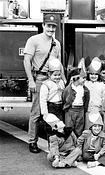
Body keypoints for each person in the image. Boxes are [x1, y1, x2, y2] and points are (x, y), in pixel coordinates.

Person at [23, 13, 65, 153]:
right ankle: (32, 141)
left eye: (53, 26)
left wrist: (63, 80)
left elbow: (59, 64)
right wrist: (31, 81)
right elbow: (26, 61)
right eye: (48, 26)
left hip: (54, 80)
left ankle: (54, 141)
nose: (51, 29)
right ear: (43, 25)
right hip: (40, 79)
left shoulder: (57, 43)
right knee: (36, 112)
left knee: (54, 110)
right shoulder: (33, 40)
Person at [39, 58, 65, 139]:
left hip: (60, 106)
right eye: (55, 75)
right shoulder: (46, 85)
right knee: (51, 128)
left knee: (60, 127)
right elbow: (43, 100)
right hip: (51, 107)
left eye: (59, 75)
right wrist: (45, 113)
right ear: (49, 75)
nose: (57, 77)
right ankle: (52, 147)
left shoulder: (61, 82)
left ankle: (59, 145)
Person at [63, 68, 89, 137]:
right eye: (83, 78)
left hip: (80, 110)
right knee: (69, 127)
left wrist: (84, 110)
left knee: (79, 128)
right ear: (76, 78)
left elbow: (86, 100)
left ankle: (78, 143)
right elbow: (64, 98)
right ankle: (69, 144)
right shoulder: (68, 89)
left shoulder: (85, 89)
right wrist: (66, 108)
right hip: (70, 110)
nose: (84, 80)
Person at [84, 57, 105, 129]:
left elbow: (104, 98)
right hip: (88, 110)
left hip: (98, 110)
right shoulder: (85, 83)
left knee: (97, 127)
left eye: (96, 74)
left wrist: (102, 110)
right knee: (88, 128)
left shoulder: (102, 85)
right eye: (91, 74)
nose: (93, 76)